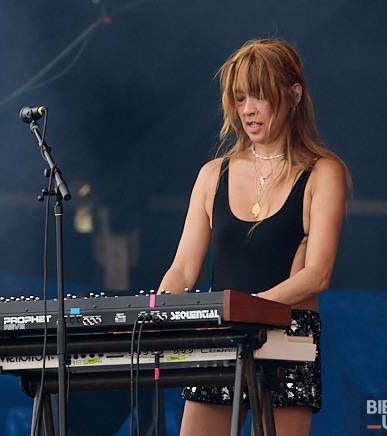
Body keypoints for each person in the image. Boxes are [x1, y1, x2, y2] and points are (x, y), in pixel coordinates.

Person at [158, 38, 349, 436]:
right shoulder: (214, 173)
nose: (247, 109)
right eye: (240, 98)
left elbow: (317, 274)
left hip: (287, 336)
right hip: (222, 334)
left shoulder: (322, 172)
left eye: (259, 97)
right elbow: (182, 270)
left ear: (293, 94)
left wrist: (244, 309)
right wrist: (156, 317)